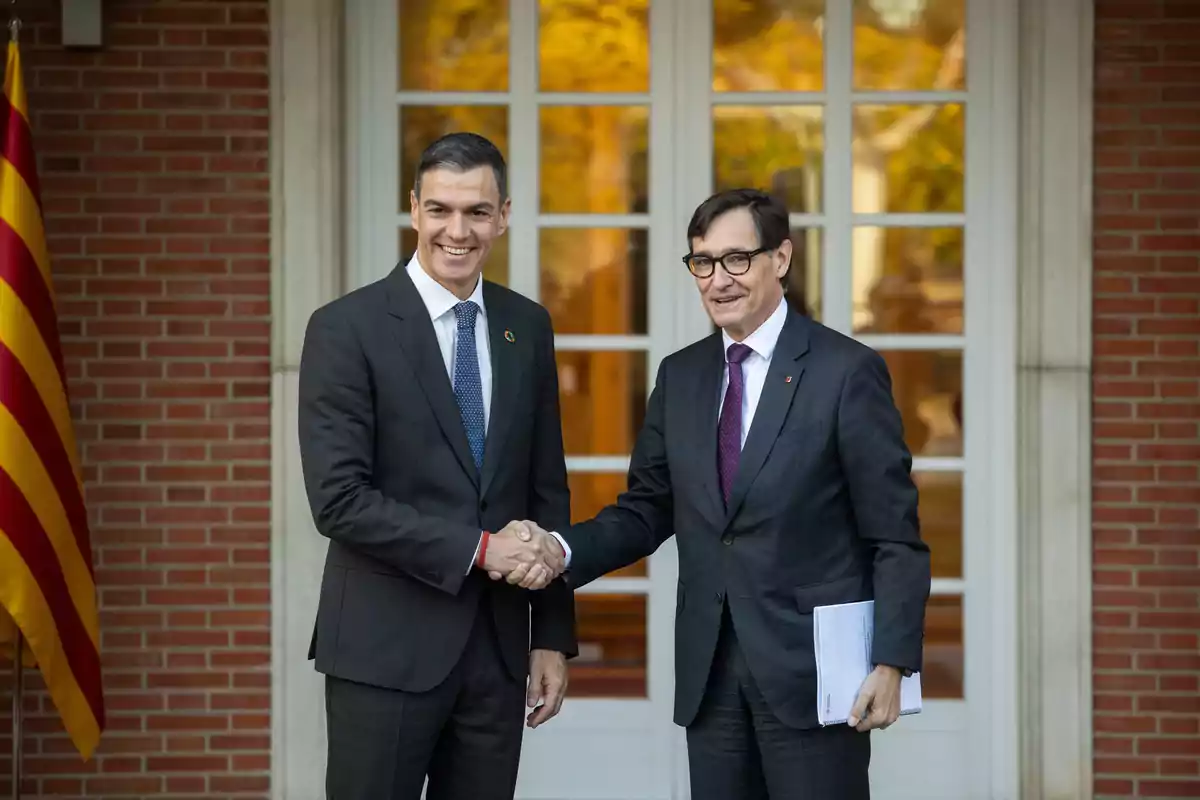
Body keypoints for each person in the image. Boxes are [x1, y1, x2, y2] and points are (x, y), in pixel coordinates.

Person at [500, 189, 931, 799]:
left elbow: (894, 536)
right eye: (703, 262)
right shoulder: (682, 376)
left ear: (780, 259)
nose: (717, 280)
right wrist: (559, 550)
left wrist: (891, 663)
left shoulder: (845, 371)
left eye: (736, 259)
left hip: (814, 675)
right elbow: (647, 509)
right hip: (711, 677)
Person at [297, 131, 576, 800]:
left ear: (503, 214)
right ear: (414, 208)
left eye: (477, 212)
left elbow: (546, 486)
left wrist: (552, 637)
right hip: (383, 649)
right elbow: (338, 500)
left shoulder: (526, 325)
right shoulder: (346, 328)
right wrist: (480, 549)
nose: (459, 230)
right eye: (441, 210)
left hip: (497, 651)